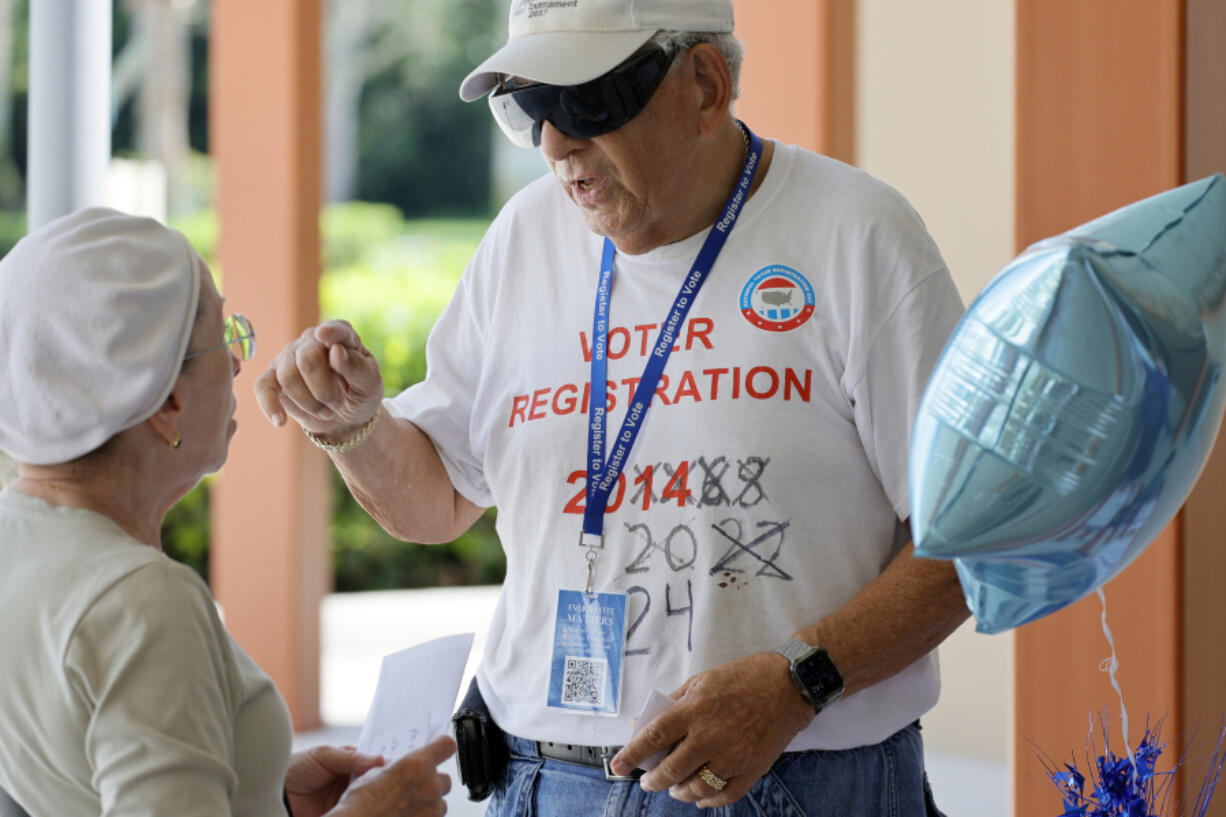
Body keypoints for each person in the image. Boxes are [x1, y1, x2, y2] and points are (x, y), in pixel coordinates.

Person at [256, 1, 971, 814]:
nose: (557, 142)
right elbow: (439, 498)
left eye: (588, 100)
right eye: (531, 105)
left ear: (706, 84)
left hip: (784, 781)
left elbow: (978, 537)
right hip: (536, 779)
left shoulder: (856, 234)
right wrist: (352, 425)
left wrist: (798, 682)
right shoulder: (525, 238)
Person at [0, 208, 455, 817]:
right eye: (224, 335)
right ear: (166, 399)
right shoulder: (140, 600)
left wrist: (256, 788)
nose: (240, 361)